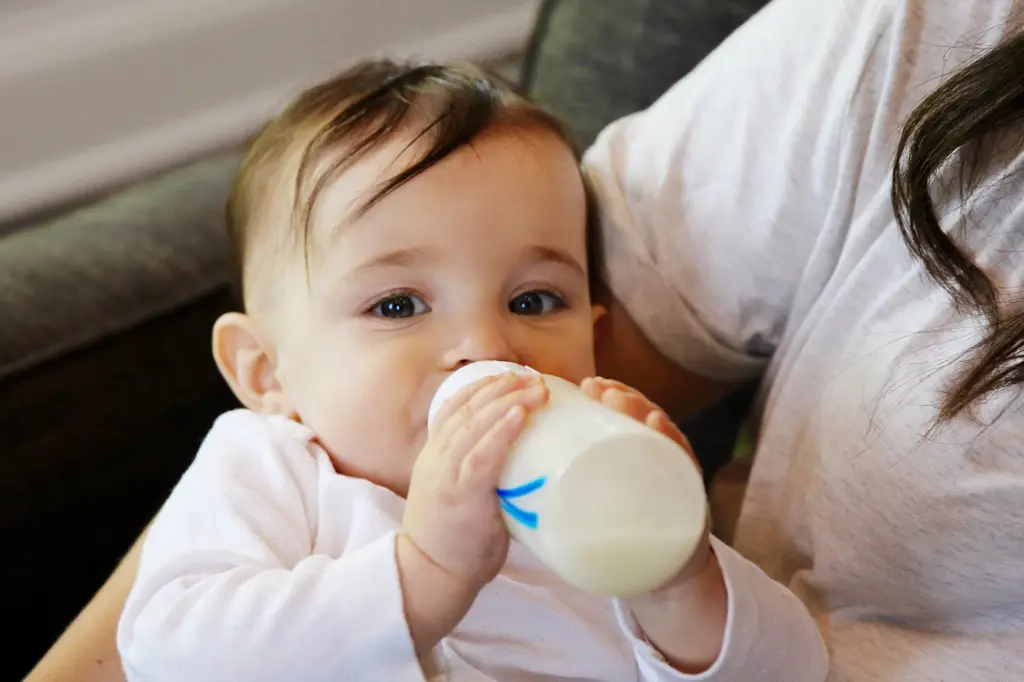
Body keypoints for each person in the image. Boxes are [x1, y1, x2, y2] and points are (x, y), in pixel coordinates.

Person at [23, 0, 1024, 680]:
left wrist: (684, 585)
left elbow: (792, 667)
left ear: (597, 336)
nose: (483, 345)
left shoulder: (598, 493)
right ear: (266, 371)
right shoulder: (273, 473)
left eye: (535, 300)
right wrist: (420, 576)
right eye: (399, 306)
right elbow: (173, 647)